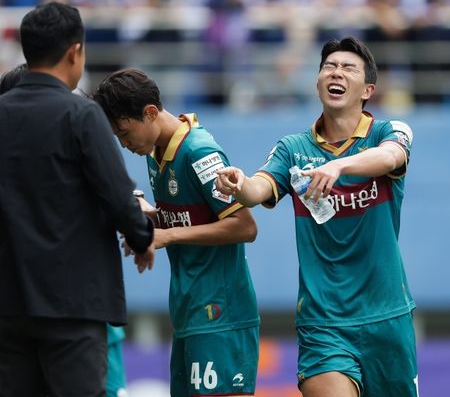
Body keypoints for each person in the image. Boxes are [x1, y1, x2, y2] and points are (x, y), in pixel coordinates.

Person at [215, 36, 418, 397]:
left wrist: (339, 165)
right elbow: (259, 189)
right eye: (329, 66)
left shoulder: (389, 132)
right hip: (323, 322)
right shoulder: (293, 149)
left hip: (388, 317)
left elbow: (390, 158)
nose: (336, 73)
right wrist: (240, 184)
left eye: (348, 68)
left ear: (367, 89)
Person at [0, 2, 154, 397]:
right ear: (75, 52)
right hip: (73, 302)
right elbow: (118, 195)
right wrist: (141, 238)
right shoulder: (81, 114)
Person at [92, 68, 260, 397]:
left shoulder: (199, 152)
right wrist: (150, 222)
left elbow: (245, 225)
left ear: (150, 112)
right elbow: (187, 217)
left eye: (125, 134)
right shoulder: (155, 153)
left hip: (220, 311)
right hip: (188, 310)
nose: (125, 145)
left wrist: (165, 236)